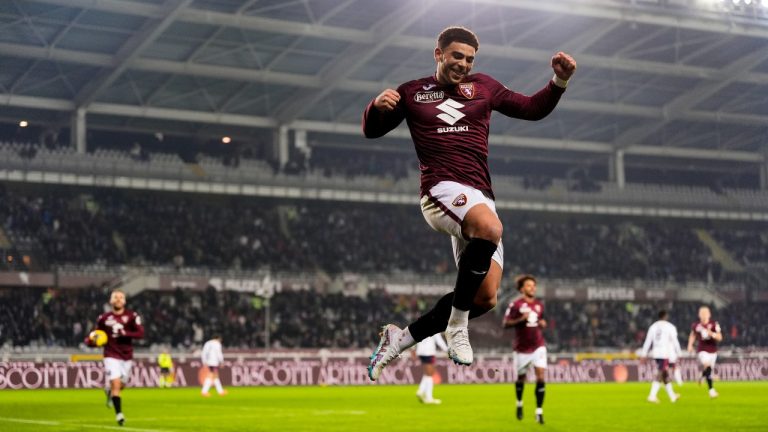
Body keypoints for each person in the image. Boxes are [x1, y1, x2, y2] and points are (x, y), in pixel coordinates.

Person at [363, 26, 576, 380]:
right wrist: (374, 107)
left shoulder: (484, 87)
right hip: (440, 190)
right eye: (456, 56)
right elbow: (372, 130)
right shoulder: (412, 93)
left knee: (486, 298)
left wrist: (559, 81)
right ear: (439, 53)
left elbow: (531, 108)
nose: (462, 63)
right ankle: (457, 326)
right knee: (490, 229)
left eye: (469, 59)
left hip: (480, 197)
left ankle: (400, 339)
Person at [85, 289, 144, 426]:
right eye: (115, 297)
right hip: (111, 354)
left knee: (122, 385)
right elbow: (96, 335)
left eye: (121, 297)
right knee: (116, 384)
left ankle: (109, 392)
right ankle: (119, 415)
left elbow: (140, 334)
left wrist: (125, 333)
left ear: (124, 301)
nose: (118, 299)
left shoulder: (132, 316)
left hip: (127, 355)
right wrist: (90, 341)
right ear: (111, 300)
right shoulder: (104, 318)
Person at [502, 275, 548, 424]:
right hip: (521, 348)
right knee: (521, 378)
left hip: (538, 346)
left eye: (534, 285)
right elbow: (505, 324)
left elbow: (541, 320)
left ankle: (539, 412)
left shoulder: (539, 305)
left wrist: (542, 323)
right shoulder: (515, 305)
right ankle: (520, 403)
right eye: (529, 285)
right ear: (522, 289)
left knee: (540, 377)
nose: (532, 288)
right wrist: (521, 319)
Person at [640, 310, 681, 404]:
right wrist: (679, 353)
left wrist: (643, 354)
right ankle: (652, 395)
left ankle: (672, 396)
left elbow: (648, 341)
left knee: (665, 374)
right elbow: (675, 340)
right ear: (665, 316)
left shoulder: (653, 326)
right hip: (664, 353)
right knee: (660, 373)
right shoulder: (670, 327)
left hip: (656, 353)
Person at [687, 305, 722, 398]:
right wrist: (690, 345)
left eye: (705, 313)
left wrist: (712, 334)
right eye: (702, 313)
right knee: (707, 366)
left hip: (713, 350)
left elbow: (720, 337)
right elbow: (692, 335)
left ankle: (702, 376)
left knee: (708, 371)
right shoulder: (696, 326)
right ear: (699, 315)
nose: (703, 315)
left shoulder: (714, 325)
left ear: (709, 314)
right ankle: (711, 391)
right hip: (702, 350)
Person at [415, 334, 448, 404]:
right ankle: (428, 397)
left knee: (427, 373)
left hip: (420, 351)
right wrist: (447, 350)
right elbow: (439, 340)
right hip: (428, 352)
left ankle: (421, 391)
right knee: (430, 374)